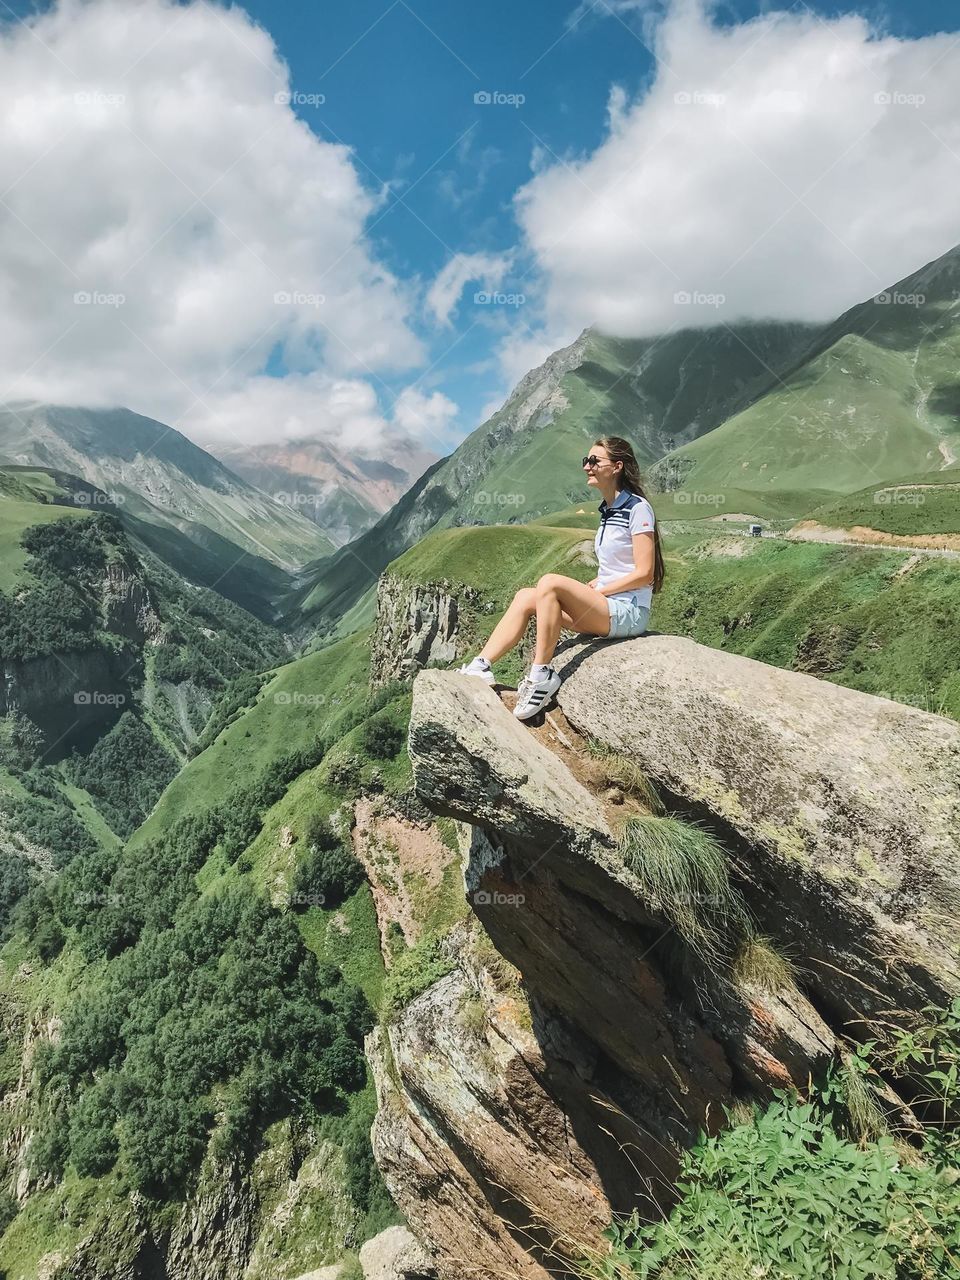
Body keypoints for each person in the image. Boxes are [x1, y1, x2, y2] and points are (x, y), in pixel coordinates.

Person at [458, 435, 664, 720]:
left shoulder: (638, 508)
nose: (587, 467)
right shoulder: (608, 510)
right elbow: (618, 567)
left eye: (594, 461)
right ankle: (480, 666)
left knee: (550, 582)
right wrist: (597, 584)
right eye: (586, 461)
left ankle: (540, 675)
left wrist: (602, 590)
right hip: (607, 607)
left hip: (628, 611)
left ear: (617, 467)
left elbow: (645, 573)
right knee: (526, 597)